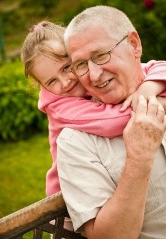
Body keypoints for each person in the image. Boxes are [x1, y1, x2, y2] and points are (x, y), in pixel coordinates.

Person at [21, 20, 166, 198]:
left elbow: (156, 67)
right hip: (70, 199)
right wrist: (157, 102)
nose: (65, 82)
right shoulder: (58, 106)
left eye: (67, 68)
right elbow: (112, 122)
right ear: (42, 85)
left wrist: (148, 88)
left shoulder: (95, 75)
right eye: (52, 81)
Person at [55, 5, 166, 238]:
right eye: (81, 64)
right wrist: (139, 157)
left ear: (134, 45)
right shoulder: (75, 141)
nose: (94, 75)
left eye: (100, 56)